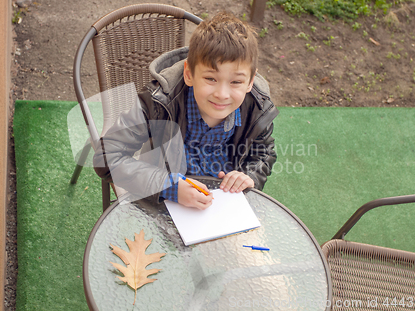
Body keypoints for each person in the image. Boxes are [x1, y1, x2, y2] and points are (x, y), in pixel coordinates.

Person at [93, 12, 279, 209]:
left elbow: (264, 152)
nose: (222, 94)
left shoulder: (258, 107)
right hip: (165, 196)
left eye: (236, 82)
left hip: (225, 199)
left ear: (250, 81)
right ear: (189, 74)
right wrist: (169, 187)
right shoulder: (158, 102)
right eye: (211, 79)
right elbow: (106, 157)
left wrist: (249, 176)